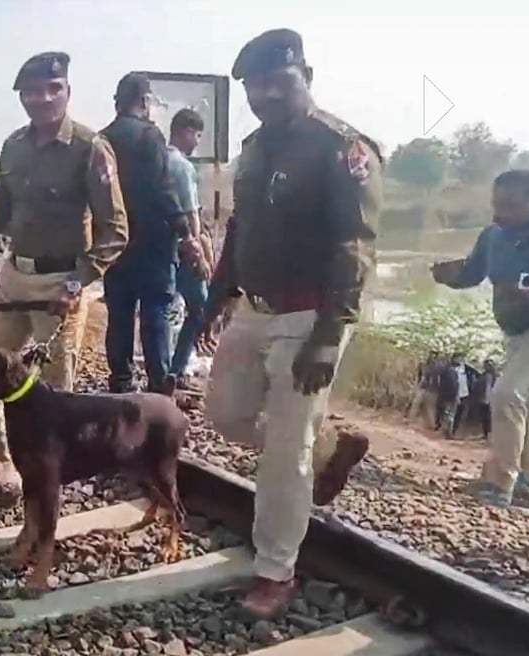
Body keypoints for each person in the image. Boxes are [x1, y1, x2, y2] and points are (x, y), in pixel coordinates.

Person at [200, 29, 381, 617]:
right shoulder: (254, 148)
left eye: (280, 83)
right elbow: (240, 229)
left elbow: (355, 247)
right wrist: (217, 292)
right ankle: (326, 455)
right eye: (256, 87)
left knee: (282, 449)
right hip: (254, 307)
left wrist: (329, 337)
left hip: (310, 315)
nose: (267, 96)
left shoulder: (341, 148)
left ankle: (275, 571)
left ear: (306, 74)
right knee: (224, 414)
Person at [0, 51, 128, 514]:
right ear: (22, 97)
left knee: (55, 397)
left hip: (62, 284)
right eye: (33, 91)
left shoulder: (91, 148)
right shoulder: (13, 146)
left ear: (67, 93)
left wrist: (77, 284)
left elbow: (115, 231)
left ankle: (48, 490)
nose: (42, 99)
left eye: (52, 89)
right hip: (15, 278)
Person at [432, 169, 529, 506]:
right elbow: (473, 272)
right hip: (514, 331)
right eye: (496, 205)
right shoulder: (494, 235)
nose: (501, 214)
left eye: (511, 206)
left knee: (507, 394)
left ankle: (499, 482)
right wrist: (449, 276)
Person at [98, 72, 185, 394]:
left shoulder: (102, 138)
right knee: (156, 312)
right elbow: (164, 187)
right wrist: (184, 228)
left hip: (115, 242)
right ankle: (159, 383)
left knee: (119, 314)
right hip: (153, 243)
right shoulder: (150, 136)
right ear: (145, 100)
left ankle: (120, 381)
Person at [166, 108, 213, 387]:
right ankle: (178, 367)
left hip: (159, 249)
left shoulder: (157, 159)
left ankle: (163, 368)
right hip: (184, 249)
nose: (197, 142)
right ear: (184, 131)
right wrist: (199, 253)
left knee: (164, 310)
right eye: (196, 135)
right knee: (200, 307)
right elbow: (191, 213)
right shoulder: (182, 166)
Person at [471, 358, 496, 439]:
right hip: (482, 399)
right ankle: (486, 434)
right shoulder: (482, 376)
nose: (488, 367)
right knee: (484, 418)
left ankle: (491, 434)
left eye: (490, 365)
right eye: (487, 365)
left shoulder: (496, 377)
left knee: (491, 418)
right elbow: (477, 387)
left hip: (492, 400)